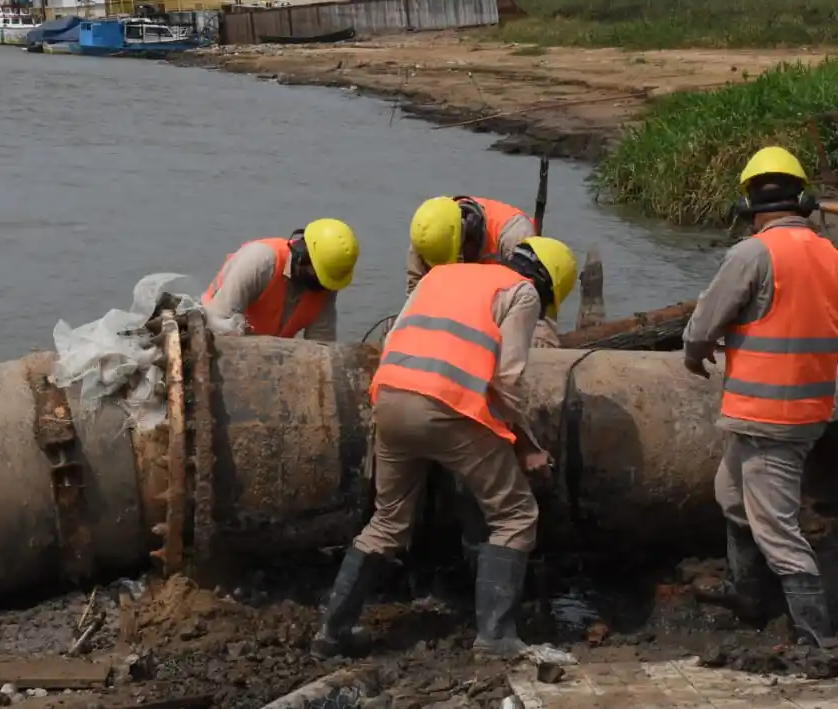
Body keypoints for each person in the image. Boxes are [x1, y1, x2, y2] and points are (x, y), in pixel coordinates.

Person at [310, 236, 579, 661]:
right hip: (450, 407)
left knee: (388, 522)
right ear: (548, 285)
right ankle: (495, 639)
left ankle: (333, 630)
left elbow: (394, 339)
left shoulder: (441, 275)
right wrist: (526, 445)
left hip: (390, 399)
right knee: (515, 515)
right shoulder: (521, 293)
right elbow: (507, 380)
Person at [682, 146, 838, 648]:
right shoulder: (836, 260)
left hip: (768, 413)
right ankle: (748, 595)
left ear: (749, 201)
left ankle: (816, 637)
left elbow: (704, 324)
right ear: (803, 197)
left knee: (778, 530)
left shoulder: (751, 255)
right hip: (800, 411)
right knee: (731, 495)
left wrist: (694, 353)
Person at [407, 195, 559, 348]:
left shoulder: (515, 237)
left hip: (503, 310)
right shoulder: (428, 236)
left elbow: (537, 308)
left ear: (470, 233)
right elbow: (414, 298)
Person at [200, 219, 359, 341]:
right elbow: (217, 323)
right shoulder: (259, 262)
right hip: (214, 333)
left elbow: (323, 345)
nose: (321, 289)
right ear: (302, 255)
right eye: (318, 278)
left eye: (326, 283)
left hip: (269, 355)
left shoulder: (324, 287)